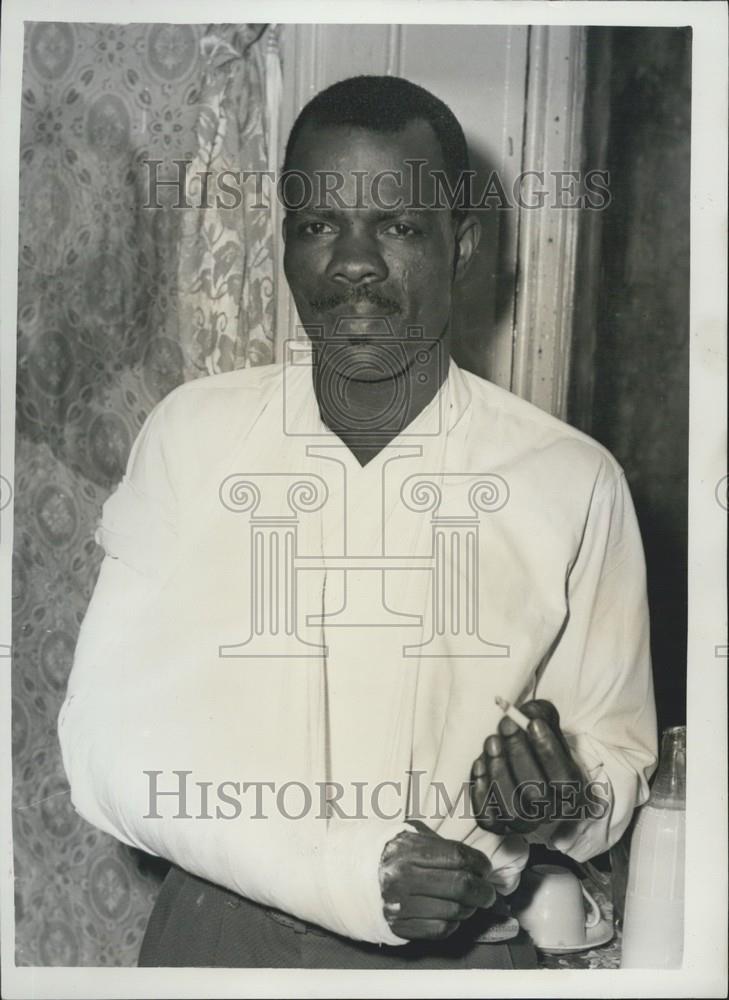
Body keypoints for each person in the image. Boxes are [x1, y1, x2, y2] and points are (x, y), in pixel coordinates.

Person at [58, 75, 658, 970]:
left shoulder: (572, 481)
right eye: (317, 225)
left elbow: (617, 751)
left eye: (399, 227)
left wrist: (557, 801)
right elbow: (101, 746)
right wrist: (346, 874)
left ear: (460, 246)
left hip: (467, 959)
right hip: (218, 944)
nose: (352, 263)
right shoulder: (194, 434)